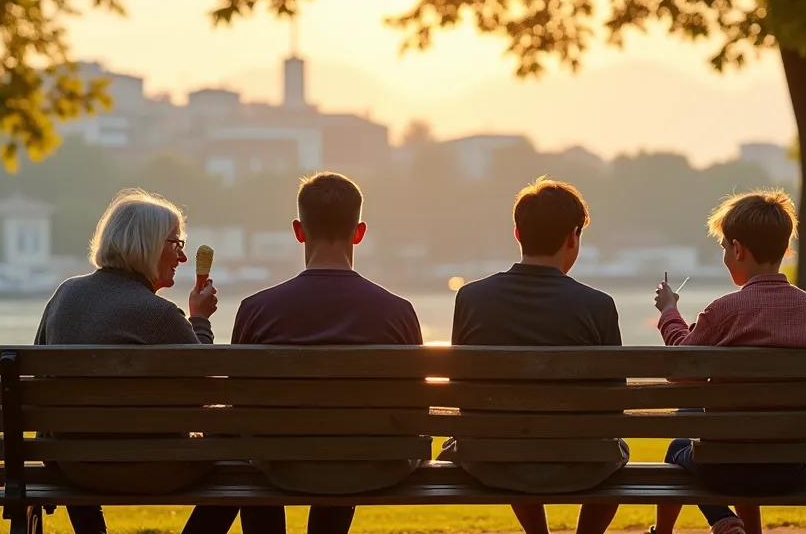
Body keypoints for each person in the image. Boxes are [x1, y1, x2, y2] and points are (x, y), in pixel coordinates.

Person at [184, 172, 424, 534]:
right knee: (341, 448)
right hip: (372, 465)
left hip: (281, 464)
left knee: (251, 441)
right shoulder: (399, 311)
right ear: (359, 232)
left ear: (299, 230)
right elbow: (416, 410)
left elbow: (239, 409)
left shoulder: (255, 309)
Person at [440, 178, 624, 534]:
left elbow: (459, 386)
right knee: (613, 449)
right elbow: (613, 403)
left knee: (510, 438)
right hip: (582, 463)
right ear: (573, 236)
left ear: (517, 233)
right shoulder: (598, 306)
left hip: (491, 460)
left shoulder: (471, 298)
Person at [652, 190, 806, 534]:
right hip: (790, 467)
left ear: (737, 249)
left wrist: (669, 313)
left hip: (724, 467)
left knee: (678, 447)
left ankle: (714, 520)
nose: (726, 255)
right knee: (734, 433)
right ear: (785, 250)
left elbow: (680, 372)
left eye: (725, 247)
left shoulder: (723, 311)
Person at [32, 188, 221, 534]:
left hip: (75, 466)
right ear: (148, 244)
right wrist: (200, 320)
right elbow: (205, 386)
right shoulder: (159, 315)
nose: (181, 258)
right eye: (175, 244)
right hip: (156, 467)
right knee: (242, 449)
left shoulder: (65, 295)